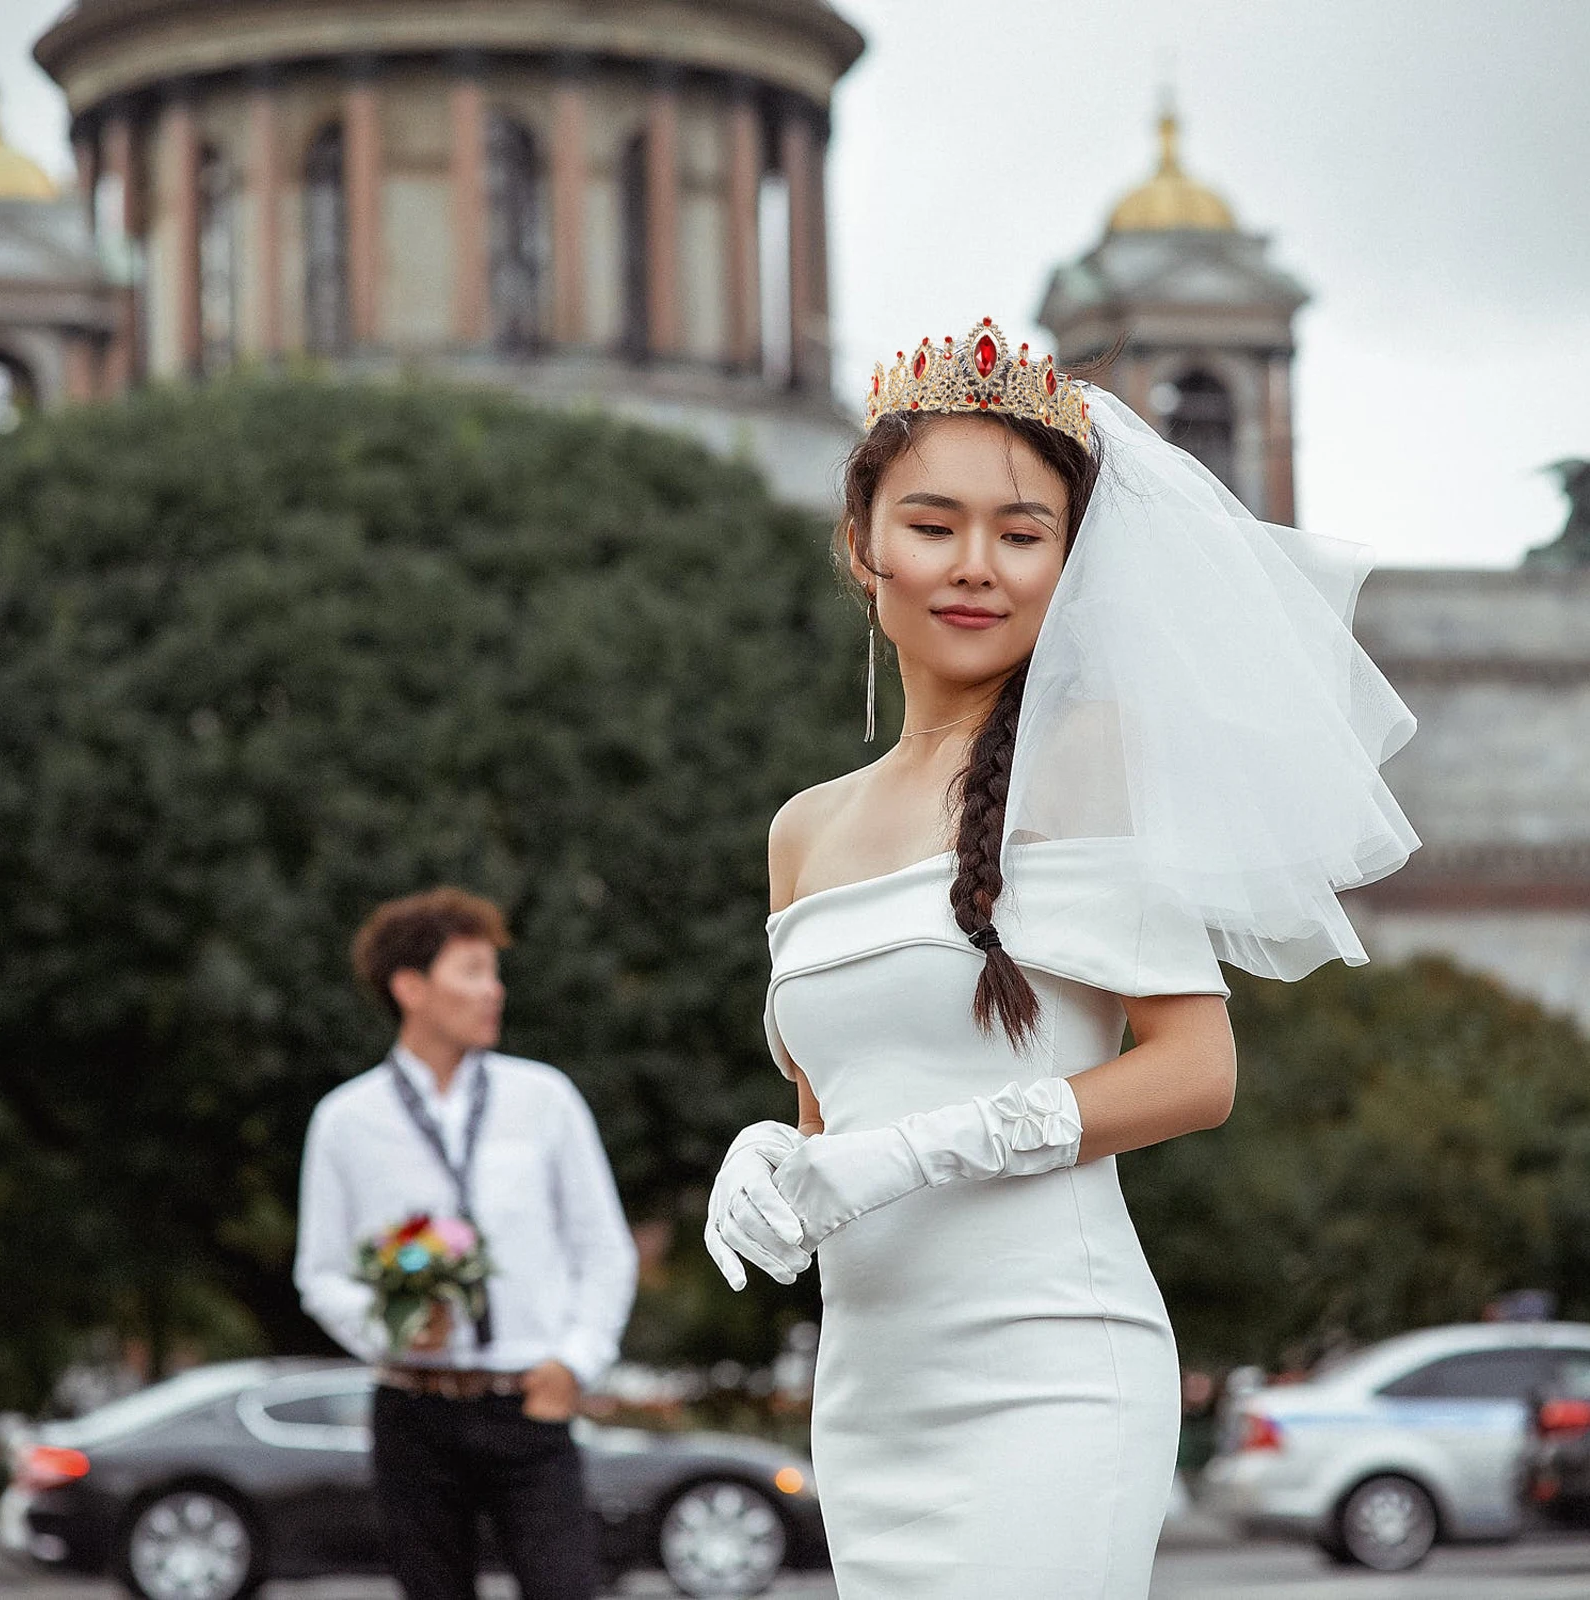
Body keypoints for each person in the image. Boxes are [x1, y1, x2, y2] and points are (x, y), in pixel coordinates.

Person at [705, 320, 1418, 1598]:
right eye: (934, 525)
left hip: (1048, 1367)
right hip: (871, 1390)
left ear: (1068, 561)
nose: (977, 566)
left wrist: (918, 1148)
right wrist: (771, 1159)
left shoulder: (1084, 761)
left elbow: (1195, 1070)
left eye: (1023, 534)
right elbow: (831, 1112)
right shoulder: (800, 827)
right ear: (861, 546)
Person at [295, 887, 638, 1600]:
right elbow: (320, 1273)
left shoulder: (545, 1099)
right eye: (474, 971)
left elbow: (604, 1249)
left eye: (494, 972)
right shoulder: (344, 1120)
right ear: (411, 987)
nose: (495, 990)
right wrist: (388, 1329)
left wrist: (575, 1364)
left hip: (529, 1406)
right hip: (412, 1413)